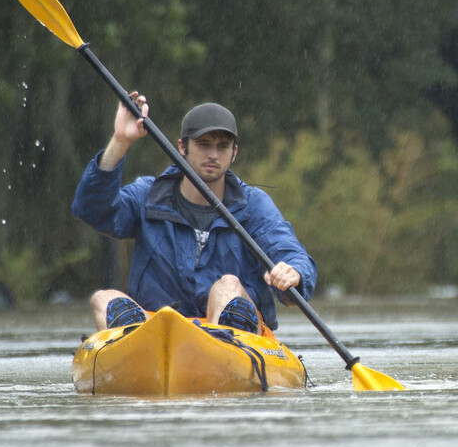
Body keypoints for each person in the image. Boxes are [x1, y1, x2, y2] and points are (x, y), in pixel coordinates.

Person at [72, 92, 317, 334]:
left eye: (223, 147)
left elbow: (293, 254)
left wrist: (294, 273)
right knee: (104, 298)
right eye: (203, 144)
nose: (213, 154)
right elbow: (93, 209)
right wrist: (120, 141)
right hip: (158, 335)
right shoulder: (148, 195)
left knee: (227, 286)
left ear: (234, 152)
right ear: (182, 147)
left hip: (234, 341)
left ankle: (228, 335)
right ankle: (130, 343)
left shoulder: (254, 206)